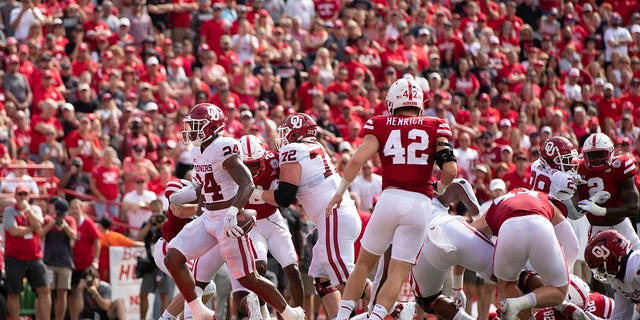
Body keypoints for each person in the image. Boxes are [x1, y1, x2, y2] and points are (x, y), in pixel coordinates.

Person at [325, 78, 457, 320]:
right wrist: (440, 186)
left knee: (364, 263)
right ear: (419, 104)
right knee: (397, 273)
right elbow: (450, 171)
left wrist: (339, 192)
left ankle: (342, 316)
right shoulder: (435, 125)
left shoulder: (381, 123)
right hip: (419, 204)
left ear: (392, 104)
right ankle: (376, 317)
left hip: (389, 199)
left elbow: (355, 160)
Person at [164, 103, 305, 320]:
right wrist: (183, 197)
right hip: (208, 218)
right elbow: (202, 188)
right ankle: (198, 310)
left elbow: (247, 183)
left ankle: (289, 312)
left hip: (226, 220)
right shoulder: (196, 150)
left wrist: (233, 212)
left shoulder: (224, 146)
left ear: (211, 128)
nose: (190, 130)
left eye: (196, 125)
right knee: (172, 258)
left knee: (249, 278)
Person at [252, 112, 363, 318]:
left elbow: (284, 196)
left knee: (346, 278)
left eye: (287, 133)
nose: (283, 138)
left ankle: (395, 307)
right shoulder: (315, 147)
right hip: (337, 215)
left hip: (333, 216)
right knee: (322, 279)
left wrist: (256, 193)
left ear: (296, 134)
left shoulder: (293, 150)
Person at [474, 188, 572, 320]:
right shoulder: (543, 197)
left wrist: (457, 286)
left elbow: (472, 232)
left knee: (508, 284)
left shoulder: (499, 201)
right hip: (540, 225)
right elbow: (572, 243)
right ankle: (522, 303)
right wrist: (564, 276)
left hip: (508, 229)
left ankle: (520, 308)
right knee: (559, 292)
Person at [237, 134, 304, 318]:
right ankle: (264, 310)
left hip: (273, 218)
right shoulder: (231, 167)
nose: (251, 168)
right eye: (247, 164)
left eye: (255, 163)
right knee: (259, 268)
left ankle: (300, 315)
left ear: (264, 157)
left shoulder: (275, 160)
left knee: (293, 269)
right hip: (252, 223)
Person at [403, 178, 489, 320]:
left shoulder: (397, 202)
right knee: (512, 277)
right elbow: (460, 183)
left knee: (429, 301)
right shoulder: (433, 192)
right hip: (451, 226)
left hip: (425, 246)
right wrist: (478, 219)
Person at [576, 133, 640, 249]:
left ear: (610, 152)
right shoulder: (577, 168)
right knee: (598, 266)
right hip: (596, 229)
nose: (597, 159)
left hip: (622, 226)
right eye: (592, 155)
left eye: (600, 154)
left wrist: (601, 211)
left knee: (637, 262)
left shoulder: (620, 166)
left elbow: (633, 207)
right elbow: (574, 208)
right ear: (584, 155)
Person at [3, 185, 51, 320]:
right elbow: (13, 231)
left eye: (25, 195)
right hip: (15, 257)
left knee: (44, 289)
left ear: (29, 197)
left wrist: (28, 211)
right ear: (15, 197)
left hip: (34, 256)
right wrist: (31, 228)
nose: (22, 197)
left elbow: (39, 226)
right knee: (14, 292)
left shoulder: (34, 209)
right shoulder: (9, 211)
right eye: (20, 195)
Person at [584, 230, 636, 319]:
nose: (600, 273)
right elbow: (620, 315)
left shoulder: (636, 264)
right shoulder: (618, 281)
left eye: (600, 268)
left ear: (612, 259)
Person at [40, 197, 77, 320]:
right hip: (50, 261)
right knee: (47, 291)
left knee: (62, 292)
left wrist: (65, 227)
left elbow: (74, 235)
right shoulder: (48, 220)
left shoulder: (70, 220)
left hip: (65, 261)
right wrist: (50, 226)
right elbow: (40, 235)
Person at [136, 199, 174, 319]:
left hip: (164, 263)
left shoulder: (167, 222)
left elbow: (170, 237)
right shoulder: (147, 223)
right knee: (143, 293)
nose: (155, 214)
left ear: (161, 209)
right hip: (150, 263)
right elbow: (139, 237)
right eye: (153, 212)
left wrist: (161, 224)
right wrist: (149, 224)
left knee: (164, 295)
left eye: (157, 211)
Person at [69, 198, 101, 320]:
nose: (74, 211)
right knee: (72, 293)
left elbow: (97, 240)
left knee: (86, 292)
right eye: (72, 208)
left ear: (81, 209)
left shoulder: (87, 223)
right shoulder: (69, 223)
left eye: (76, 208)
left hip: (85, 265)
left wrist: (95, 260)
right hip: (72, 264)